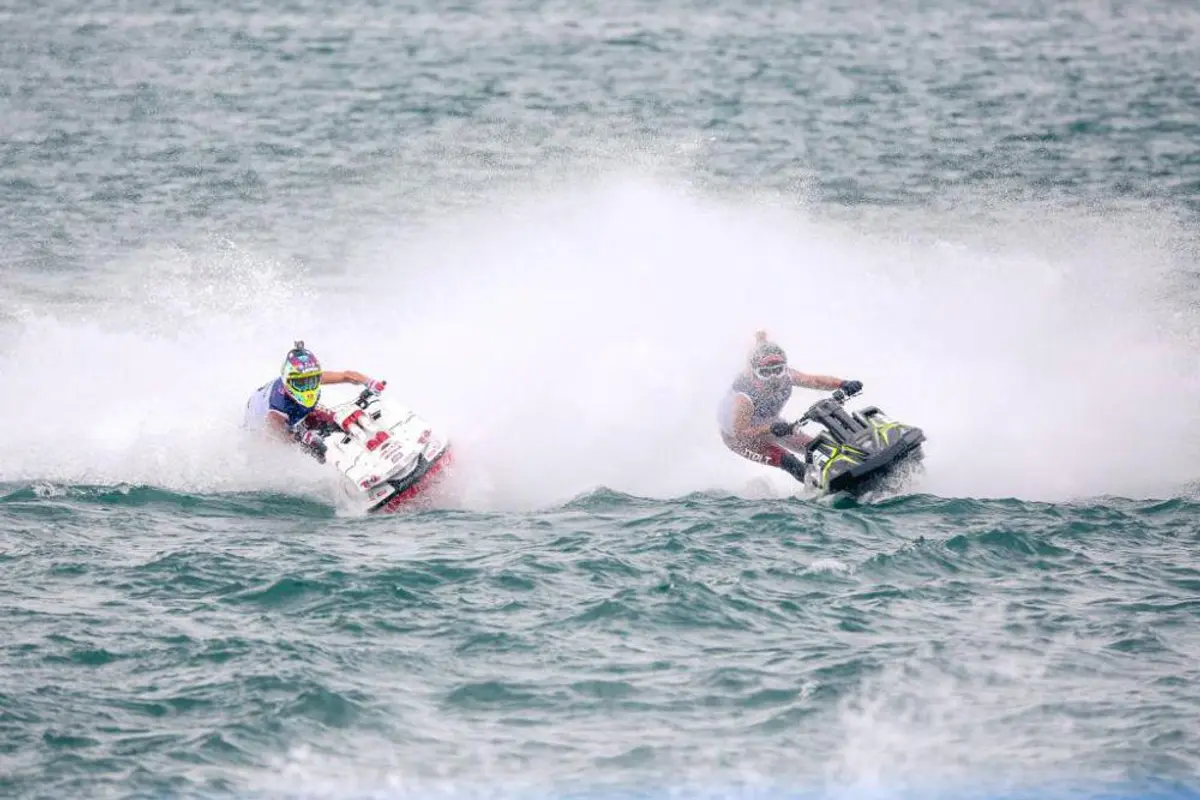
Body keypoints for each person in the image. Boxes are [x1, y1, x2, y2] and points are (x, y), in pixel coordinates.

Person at [717, 331, 862, 482]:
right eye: (765, 373)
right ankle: (821, 489)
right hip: (740, 439)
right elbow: (740, 433)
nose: (773, 378)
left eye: (778, 370)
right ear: (754, 374)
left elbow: (815, 381)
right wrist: (770, 429)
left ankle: (851, 472)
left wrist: (843, 384)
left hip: (772, 426)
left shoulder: (788, 376)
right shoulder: (744, 398)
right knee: (791, 463)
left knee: (818, 448)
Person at [243, 341, 385, 463]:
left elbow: (346, 375)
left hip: (292, 408)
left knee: (332, 421)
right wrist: (301, 438)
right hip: (260, 421)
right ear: (288, 382)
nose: (307, 388)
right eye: (301, 383)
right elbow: (280, 437)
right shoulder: (276, 410)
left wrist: (370, 382)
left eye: (312, 380)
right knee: (310, 447)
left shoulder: (307, 375)